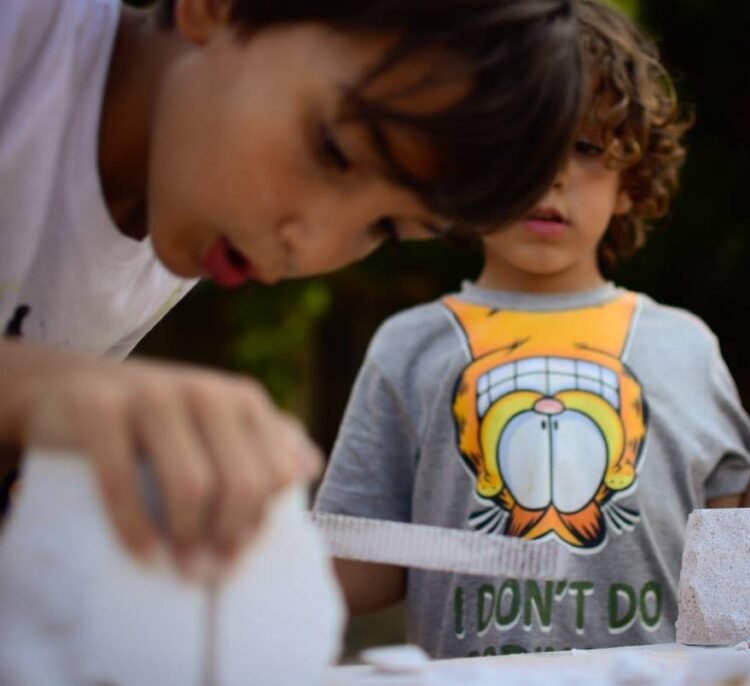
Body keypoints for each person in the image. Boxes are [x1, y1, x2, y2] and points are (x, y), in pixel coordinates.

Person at [314, 0, 750, 657]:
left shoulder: (682, 346)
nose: (552, 176)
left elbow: (748, 535)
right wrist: (239, 549)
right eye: (525, 143)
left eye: (585, 148)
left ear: (631, 180)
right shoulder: (407, 348)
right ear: (469, 163)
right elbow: (361, 570)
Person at [0, 0, 583, 575]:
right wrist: (45, 388)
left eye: (383, 227)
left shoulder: (176, 213)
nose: (311, 246)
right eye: (332, 151)